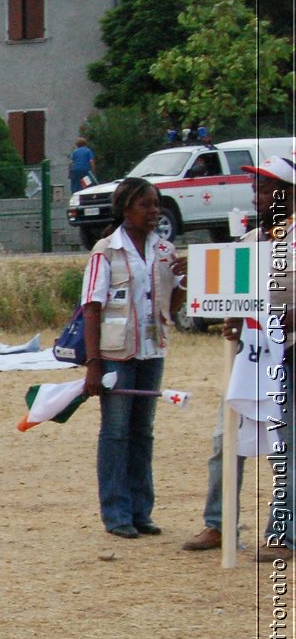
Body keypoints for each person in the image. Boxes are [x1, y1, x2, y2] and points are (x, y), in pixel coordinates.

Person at [182, 154, 295, 560]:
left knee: (286, 447)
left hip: (289, 356)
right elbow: (235, 295)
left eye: (265, 189)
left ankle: (283, 534)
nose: (257, 195)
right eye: (255, 188)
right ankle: (219, 524)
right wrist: (233, 321)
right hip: (248, 357)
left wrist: (277, 316)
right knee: (224, 440)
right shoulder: (250, 242)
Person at [80, 176, 186, 538]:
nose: (154, 211)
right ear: (126, 209)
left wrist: (183, 283)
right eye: (146, 205)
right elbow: (91, 308)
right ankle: (116, 513)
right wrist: (93, 364)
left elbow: (171, 306)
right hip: (115, 354)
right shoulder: (106, 251)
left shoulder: (164, 251)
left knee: (143, 432)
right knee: (115, 432)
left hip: (151, 351)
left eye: (156, 204)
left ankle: (142, 511)